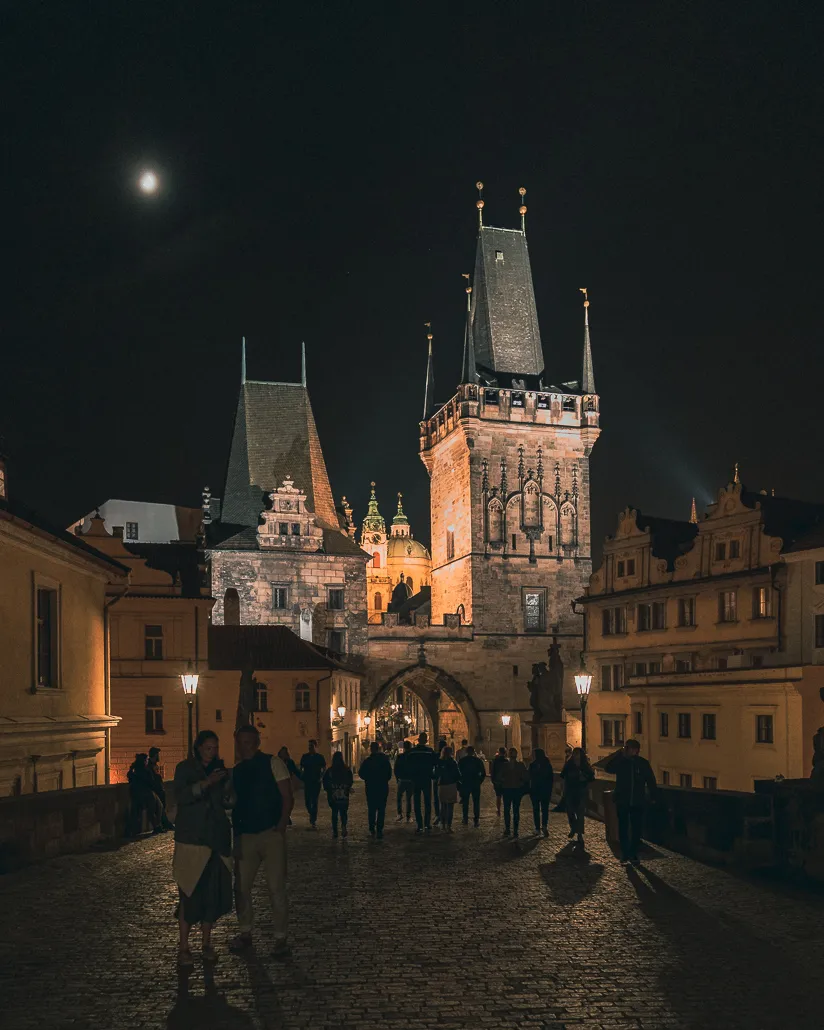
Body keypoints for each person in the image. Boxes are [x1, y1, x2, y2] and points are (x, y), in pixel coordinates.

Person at [230, 726, 294, 957]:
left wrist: (280, 827)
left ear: (255, 743)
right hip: (246, 835)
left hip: (270, 833)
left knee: (276, 887)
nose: (243, 746)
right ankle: (245, 931)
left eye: (247, 742)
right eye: (240, 742)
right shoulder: (236, 771)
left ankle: (280, 937)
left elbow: (287, 796)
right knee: (241, 887)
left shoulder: (273, 763)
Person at [172, 731, 235, 966]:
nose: (213, 752)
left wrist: (227, 786)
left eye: (215, 748)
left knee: (212, 896)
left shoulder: (220, 770)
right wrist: (206, 784)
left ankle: (207, 943)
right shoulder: (185, 769)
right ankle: (184, 947)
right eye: (208, 748)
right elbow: (181, 796)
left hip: (216, 841)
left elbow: (228, 802)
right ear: (198, 748)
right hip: (192, 840)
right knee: (189, 894)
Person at [604, 739, 656, 866]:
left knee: (636, 828)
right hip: (623, 800)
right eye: (628, 748)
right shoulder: (621, 762)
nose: (630, 751)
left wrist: (653, 796)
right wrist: (619, 755)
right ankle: (625, 853)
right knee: (623, 827)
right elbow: (608, 768)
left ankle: (633, 853)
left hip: (637, 801)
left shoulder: (642, 763)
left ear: (636, 750)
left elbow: (651, 781)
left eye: (632, 748)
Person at [560, 747, 594, 847]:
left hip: (581, 791)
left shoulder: (585, 765)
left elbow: (591, 776)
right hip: (570, 791)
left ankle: (579, 834)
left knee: (580, 813)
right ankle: (573, 827)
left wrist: (584, 776)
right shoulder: (569, 764)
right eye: (574, 754)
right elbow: (563, 775)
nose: (576, 756)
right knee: (570, 811)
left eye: (578, 754)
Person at [358, 741, 393, 838]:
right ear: (378, 748)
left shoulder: (368, 761)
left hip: (371, 787)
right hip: (382, 787)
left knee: (372, 808)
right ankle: (379, 828)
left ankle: (372, 828)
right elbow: (389, 774)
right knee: (381, 808)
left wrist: (368, 778)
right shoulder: (384, 760)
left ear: (371, 749)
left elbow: (361, 773)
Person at [406, 732, 436, 833]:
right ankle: (427, 824)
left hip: (415, 779)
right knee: (427, 802)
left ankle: (419, 824)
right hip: (426, 779)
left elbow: (408, 765)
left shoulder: (412, 752)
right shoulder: (430, 751)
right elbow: (435, 763)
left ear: (418, 740)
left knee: (417, 802)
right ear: (426, 740)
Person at [127, 752, 163, 835]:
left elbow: (130, 777)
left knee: (137, 812)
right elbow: (151, 782)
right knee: (154, 809)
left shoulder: (135, 770)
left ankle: (133, 830)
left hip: (136, 792)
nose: (147, 761)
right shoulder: (146, 770)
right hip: (147, 793)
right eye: (146, 760)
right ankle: (157, 827)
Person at [498, 747, 529, 838]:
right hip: (516, 790)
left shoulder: (504, 765)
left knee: (507, 810)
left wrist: (504, 780)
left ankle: (508, 829)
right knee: (515, 810)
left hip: (508, 789)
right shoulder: (520, 765)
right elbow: (525, 777)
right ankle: (515, 830)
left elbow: (499, 778)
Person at [323, 751, 354, 840]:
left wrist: (329, 789)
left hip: (333, 794)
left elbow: (325, 781)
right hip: (344, 794)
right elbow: (350, 780)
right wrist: (347, 787)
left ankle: (335, 831)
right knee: (343, 812)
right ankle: (343, 826)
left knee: (334, 812)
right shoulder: (346, 769)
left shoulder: (330, 770)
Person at [299, 739, 326, 830]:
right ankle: (312, 813)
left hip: (316, 781)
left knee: (314, 800)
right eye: (309, 746)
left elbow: (323, 768)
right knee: (307, 800)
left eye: (311, 746)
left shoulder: (320, 757)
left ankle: (313, 819)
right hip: (307, 781)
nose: (309, 748)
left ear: (315, 746)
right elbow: (301, 767)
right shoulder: (305, 756)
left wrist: (321, 777)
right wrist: (302, 774)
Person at [528, 747, 555, 837]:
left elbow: (529, 778)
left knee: (536, 810)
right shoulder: (547, 764)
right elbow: (551, 779)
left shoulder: (532, 765)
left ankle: (537, 828)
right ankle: (544, 826)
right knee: (544, 810)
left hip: (535, 790)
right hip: (545, 790)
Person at [434, 745, 461, 831]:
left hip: (442, 785)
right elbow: (458, 775)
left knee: (443, 806)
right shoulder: (453, 762)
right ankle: (449, 825)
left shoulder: (439, 762)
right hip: (451, 785)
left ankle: (443, 824)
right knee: (450, 807)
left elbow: (436, 774)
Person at [458, 745, 486, 826]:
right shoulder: (477, 761)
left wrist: (460, 782)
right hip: (475, 783)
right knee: (476, 802)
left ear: (466, 752)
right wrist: (479, 781)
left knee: (465, 802)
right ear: (473, 752)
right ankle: (476, 819)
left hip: (465, 783)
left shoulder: (462, 761)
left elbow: (458, 773)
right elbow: (483, 773)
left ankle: (465, 818)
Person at [147, 746, 174, 830]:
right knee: (159, 808)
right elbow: (153, 779)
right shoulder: (150, 766)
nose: (159, 756)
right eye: (157, 754)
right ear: (155, 755)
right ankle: (162, 824)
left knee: (162, 807)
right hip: (155, 790)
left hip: (159, 790)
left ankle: (164, 823)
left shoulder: (153, 765)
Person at [278, 746, 302, 826]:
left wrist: (304, 778)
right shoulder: (277, 762)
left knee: (290, 800)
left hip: (288, 783)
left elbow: (295, 771)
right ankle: (283, 816)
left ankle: (287, 815)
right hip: (279, 783)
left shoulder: (290, 762)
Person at [394, 739, 414, 821]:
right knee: (409, 799)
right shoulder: (413, 757)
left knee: (399, 797)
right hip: (410, 780)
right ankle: (408, 816)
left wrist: (397, 778)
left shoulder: (400, 756)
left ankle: (399, 814)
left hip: (402, 780)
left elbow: (396, 769)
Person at [432, 736, 448, 826]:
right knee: (444, 799)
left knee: (436, 799)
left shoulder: (435, 756)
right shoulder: (449, 758)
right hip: (445, 781)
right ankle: (444, 816)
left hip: (436, 780)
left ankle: (438, 815)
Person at [490, 746, 508, 818]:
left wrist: (493, 780)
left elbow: (492, 771)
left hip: (497, 781)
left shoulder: (495, 760)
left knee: (498, 796)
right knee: (505, 796)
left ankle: (498, 809)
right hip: (505, 781)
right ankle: (506, 809)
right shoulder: (506, 761)